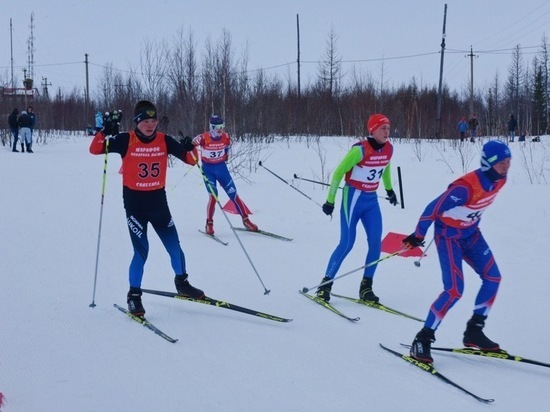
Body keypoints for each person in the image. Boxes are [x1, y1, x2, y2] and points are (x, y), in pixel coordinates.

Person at [89, 99, 205, 316]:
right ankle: (134, 296)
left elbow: (191, 160)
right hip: (135, 206)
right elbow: (95, 149)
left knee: (174, 247)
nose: (150, 125)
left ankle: (182, 283)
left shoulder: (164, 140)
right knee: (142, 252)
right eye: (145, 121)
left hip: (158, 203)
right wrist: (104, 132)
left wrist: (192, 147)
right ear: (136, 122)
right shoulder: (126, 140)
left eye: (154, 120)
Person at [404, 140, 512, 364]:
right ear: (489, 163)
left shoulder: (501, 180)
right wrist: (418, 235)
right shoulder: (465, 188)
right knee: (454, 290)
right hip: (448, 237)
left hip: (471, 235)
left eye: (509, 162)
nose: (506, 166)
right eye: (502, 162)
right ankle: (422, 338)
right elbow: (432, 208)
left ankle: (474, 331)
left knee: (493, 278)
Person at [316, 113, 398, 303]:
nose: (387, 131)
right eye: (383, 128)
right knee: (347, 243)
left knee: (376, 242)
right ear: (373, 130)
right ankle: (325, 284)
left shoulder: (389, 149)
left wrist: (389, 190)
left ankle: (366, 287)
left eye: (388, 127)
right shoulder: (360, 151)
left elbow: (385, 167)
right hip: (352, 198)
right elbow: (338, 173)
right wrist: (330, 200)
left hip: (371, 200)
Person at [192, 115, 258, 235]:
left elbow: (226, 147)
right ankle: (209, 223)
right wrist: (192, 152)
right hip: (208, 170)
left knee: (233, 194)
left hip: (221, 169)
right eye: (217, 127)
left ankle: (246, 220)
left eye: (222, 126)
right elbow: (191, 145)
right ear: (211, 127)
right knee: (213, 196)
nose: (220, 129)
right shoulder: (203, 138)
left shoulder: (226, 137)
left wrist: (226, 155)